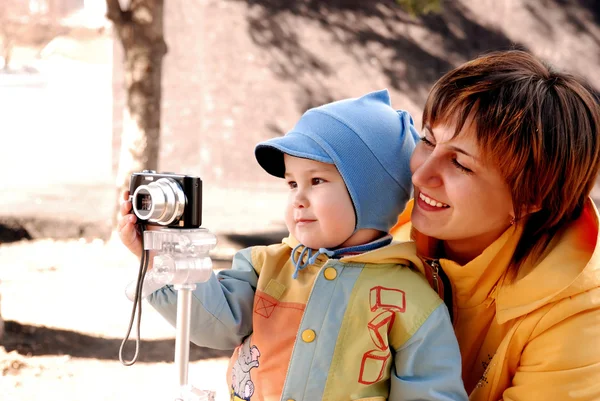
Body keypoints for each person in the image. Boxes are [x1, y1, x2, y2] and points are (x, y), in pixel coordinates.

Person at [118, 90, 468, 401]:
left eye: (316, 180)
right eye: (291, 184)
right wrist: (159, 257)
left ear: (372, 196)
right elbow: (215, 323)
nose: (298, 198)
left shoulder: (412, 300)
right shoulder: (265, 267)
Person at [389, 50, 600, 400]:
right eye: (428, 140)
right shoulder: (387, 239)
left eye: (460, 164)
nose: (421, 174)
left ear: (530, 196)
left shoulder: (580, 312)